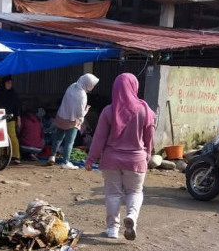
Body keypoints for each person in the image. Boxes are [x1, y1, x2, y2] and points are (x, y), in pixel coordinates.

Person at [85, 73, 155, 240]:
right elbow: (149, 137)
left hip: (111, 160)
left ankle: (112, 229)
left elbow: (99, 138)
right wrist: (148, 154)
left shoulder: (109, 111)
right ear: (134, 87)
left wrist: (91, 159)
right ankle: (131, 216)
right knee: (135, 192)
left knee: (113, 194)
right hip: (136, 160)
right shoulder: (145, 110)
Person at [48, 73, 99, 169]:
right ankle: (65, 162)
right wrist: (86, 111)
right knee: (69, 142)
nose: (92, 86)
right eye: (91, 84)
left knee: (58, 137)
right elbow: (79, 114)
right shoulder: (83, 95)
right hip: (72, 120)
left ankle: (52, 156)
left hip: (62, 116)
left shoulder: (72, 86)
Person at [0, 76, 22, 164]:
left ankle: (16, 156)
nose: (10, 85)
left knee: (12, 136)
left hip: (11, 117)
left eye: (11, 83)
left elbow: (17, 106)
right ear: (4, 83)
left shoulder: (13, 93)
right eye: (8, 83)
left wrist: (18, 117)